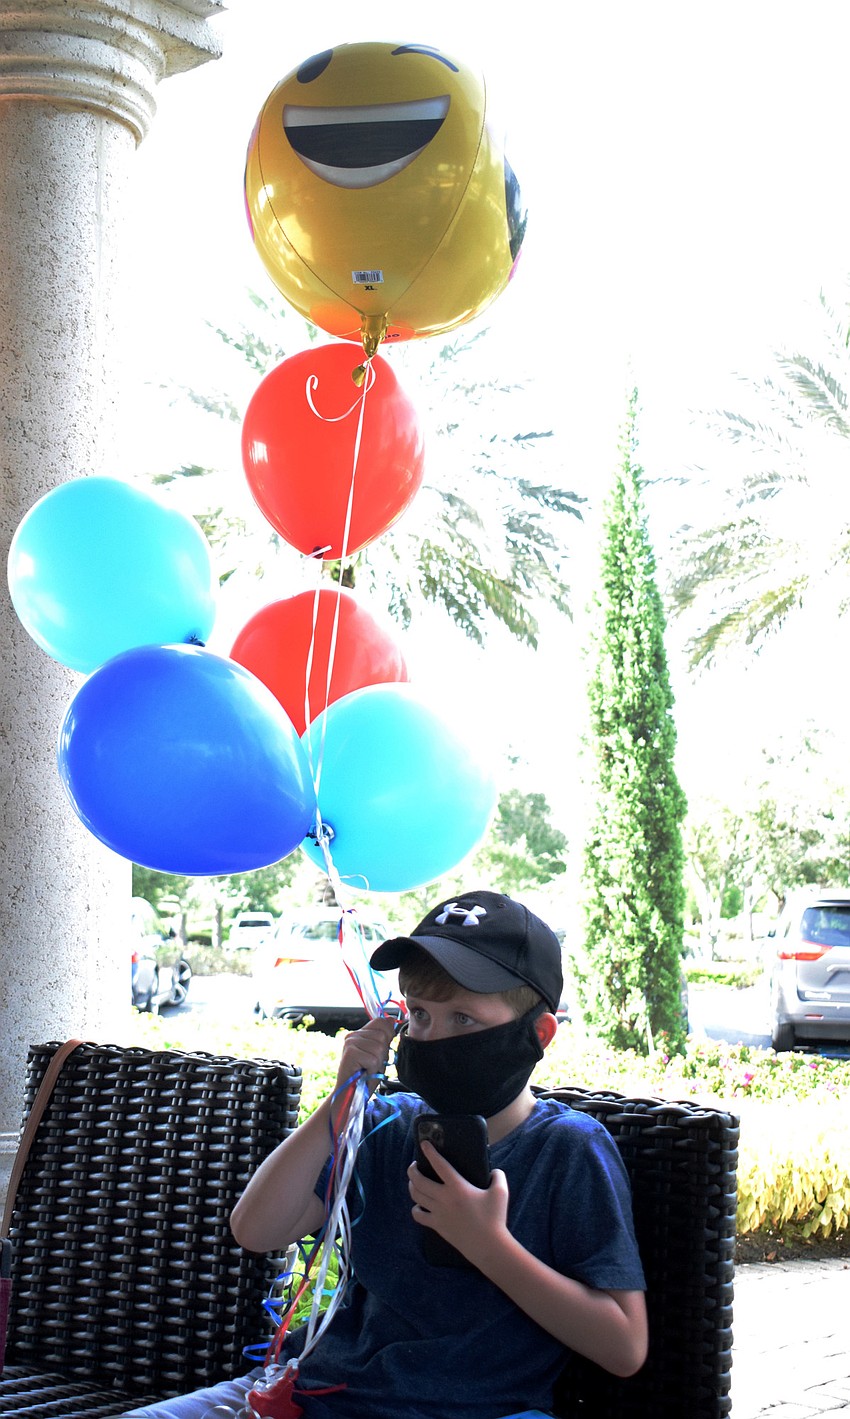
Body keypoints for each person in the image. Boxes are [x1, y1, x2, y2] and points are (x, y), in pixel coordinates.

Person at [122, 889, 647, 1419]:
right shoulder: (385, 1124)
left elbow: (624, 1346)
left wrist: (487, 1244)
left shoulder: (569, 1150)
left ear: (538, 1034)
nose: (432, 1036)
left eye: (462, 1019)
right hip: (316, 1391)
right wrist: (340, 1102)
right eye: (419, 1015)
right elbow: (255, 1230)